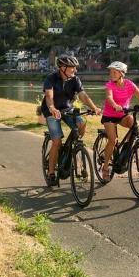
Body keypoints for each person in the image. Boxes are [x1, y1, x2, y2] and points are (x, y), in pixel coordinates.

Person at [41, 54, 101, 186]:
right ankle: (51, 172)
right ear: (62, 68)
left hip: (67, 109)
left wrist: (94, 107)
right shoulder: (51, 78)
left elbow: (83, 96)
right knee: (56, 142)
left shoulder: (75, 79)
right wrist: (52, 108)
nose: (75, 70)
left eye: (75, 68)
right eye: (72, 68)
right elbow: (49, 96)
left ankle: (72, 147)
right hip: (52, 111)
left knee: (82, 123)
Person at [100, 61, 139, 181]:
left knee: (133, 123)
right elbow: (109, 98)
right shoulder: (109, 85)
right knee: (112, 140)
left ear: (122, 73)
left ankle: (125, 150)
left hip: (123, 115)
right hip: (109, 115)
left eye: (114, 72)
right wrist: (115, 105)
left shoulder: (129, 84)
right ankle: (105, 168)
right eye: (111, 71)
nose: (112, 74)